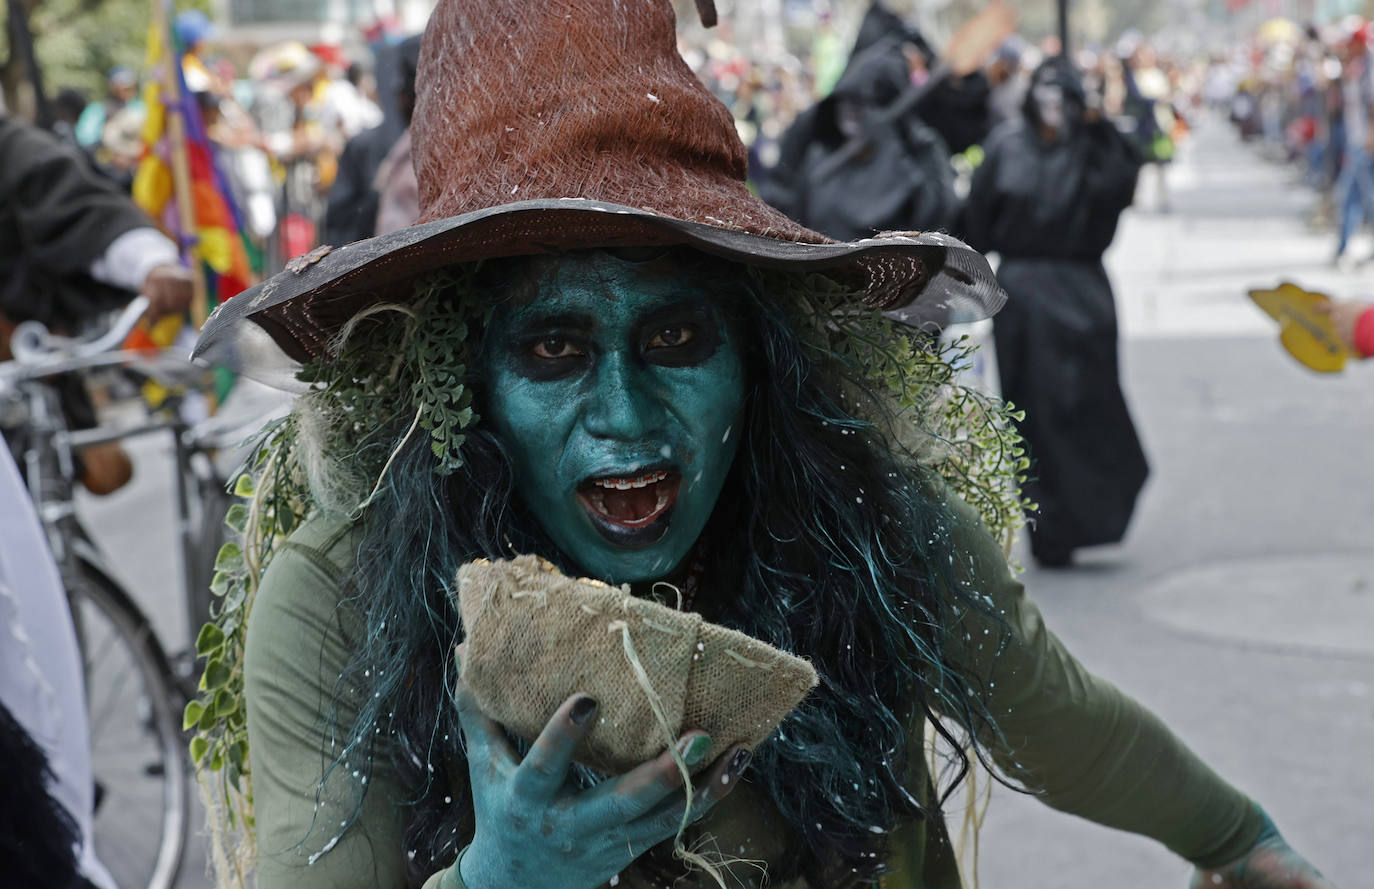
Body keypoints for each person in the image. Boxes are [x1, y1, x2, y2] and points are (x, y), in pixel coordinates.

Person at [191, 4, 1337, 889]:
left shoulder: (859, 513)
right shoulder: (345, 588)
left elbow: (1050, 713)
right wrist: (501, 877)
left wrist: (1239, 837)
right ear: (463, 383)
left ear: (757, 357)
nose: (626, 414)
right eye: (553, 349)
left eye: (676, 338)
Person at [959, 57, 1149, 569]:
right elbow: (976, 218)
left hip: (1081, 292)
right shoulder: (1007, 146)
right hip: (1024, 297)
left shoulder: (1094, 148)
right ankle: (1050, 530)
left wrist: (1097, 126)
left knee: (1090, 405)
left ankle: (1093, 514)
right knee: (1033, 415)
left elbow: (1123, 179)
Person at [0, 113, 192, 492]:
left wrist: (150, 264)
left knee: (102, 475)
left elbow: (73, 203)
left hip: (26, 370)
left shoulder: (11, 150)